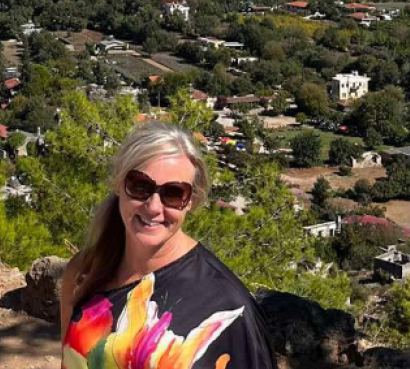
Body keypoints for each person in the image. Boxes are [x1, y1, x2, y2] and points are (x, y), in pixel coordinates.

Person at [59, 121, 274, 369]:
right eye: (140, 186)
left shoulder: (227, 305)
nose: (153, 207)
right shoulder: (83, 273)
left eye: (173, 193)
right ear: (119, 185)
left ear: (191, 200)